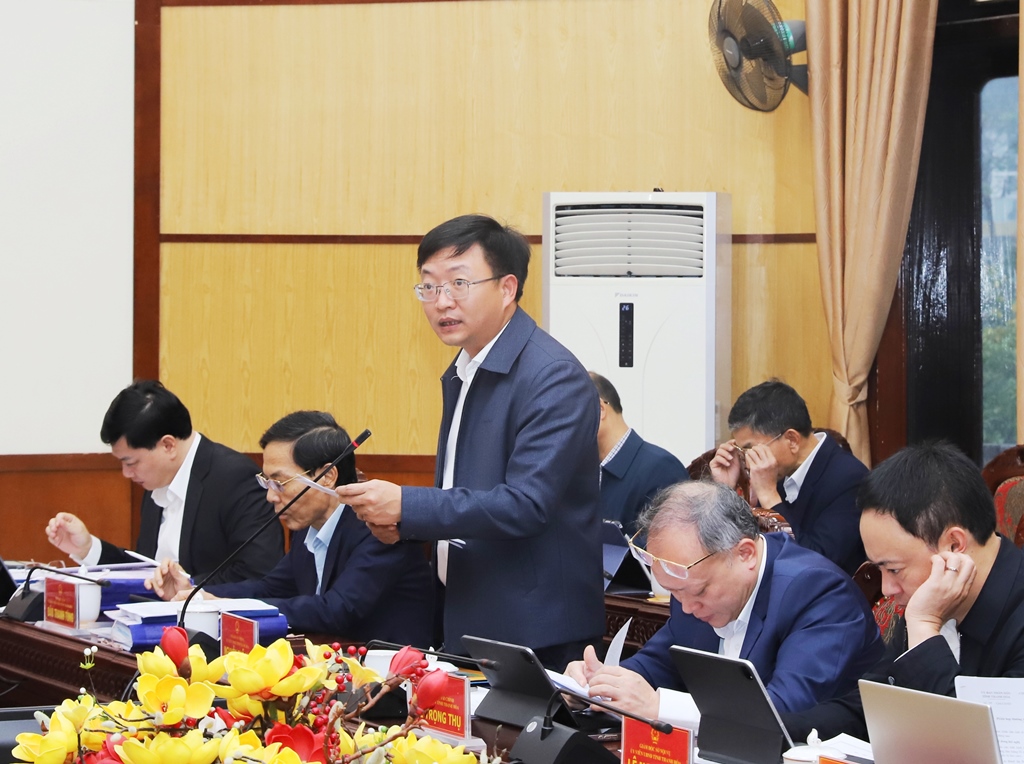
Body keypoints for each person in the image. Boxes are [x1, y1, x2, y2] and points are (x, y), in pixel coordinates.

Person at [335, 213, 605, 670]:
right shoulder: (465, 369)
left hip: (535, 630)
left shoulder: (551, 376)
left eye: (459, 284)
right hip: (469, 613)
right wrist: (403, 523)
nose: (441, 302)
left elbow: (525, 504)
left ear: (507, 288)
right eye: (429, 286)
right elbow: (467, 492)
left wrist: (408, 505)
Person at [565, 481, 884, 722]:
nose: (686, 607)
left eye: (699, 592)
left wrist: (658, 706)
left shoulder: (817, 592)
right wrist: (596, 686)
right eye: (675, 593)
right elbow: (657, 664)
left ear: (745, 554)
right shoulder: (690, 583)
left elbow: (782, 711)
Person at [783, 442, 1024, 741]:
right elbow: (871, 709)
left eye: (894, 569)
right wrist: (775, 730)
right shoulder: (931, 595)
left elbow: (973, 745)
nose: (886, 589)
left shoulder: (929, 608)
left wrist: (924, 627)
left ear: (954, 545)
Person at [147, 411, 435, 644]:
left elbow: (337, 610)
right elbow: (270, 587)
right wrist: (198, 592)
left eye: (280, 482)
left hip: (394, 680)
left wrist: (223, 605)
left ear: (327, 476)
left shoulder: (377, 528)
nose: (271, 496)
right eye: (267, 482)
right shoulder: (306, 527)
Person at [45, 380, 282, 584]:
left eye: (131, 462)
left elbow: (258, 573)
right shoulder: (156, 480)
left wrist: (186, 588)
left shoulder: (235, 479)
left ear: (168, 445)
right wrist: (87, 548)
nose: (126, 473)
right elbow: (148, 572)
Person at [709, 379, 868, 575]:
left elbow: (815, 564)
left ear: (791, 440)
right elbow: (738, 550)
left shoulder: (849, 479)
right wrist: (726, 491)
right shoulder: (776, 470)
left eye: (751, 449)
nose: (747, 460)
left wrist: (769, 497)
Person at [590, 371, 689, 536]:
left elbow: (661, 547)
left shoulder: (662, 470)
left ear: (599, 410)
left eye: (567, 415)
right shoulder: (584, 472)